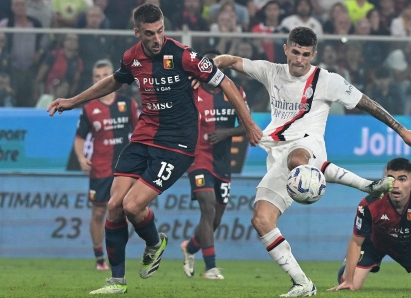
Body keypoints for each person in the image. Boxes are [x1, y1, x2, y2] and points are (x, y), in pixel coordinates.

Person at [47, 4, 262, 294]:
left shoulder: (184, 55)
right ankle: (116, 281)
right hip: (143, 137)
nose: (157, 38)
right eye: (149, 33)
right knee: (113, 206)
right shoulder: (132, 57)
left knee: (132, 205)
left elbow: (226, 83)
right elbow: (114, 80)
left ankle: (153, 242)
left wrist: (248, 124)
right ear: (138, 32)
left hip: (178, 143)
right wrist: (73, 101)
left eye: (160, 31)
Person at [213, 26, 411, 297]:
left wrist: (401, 129)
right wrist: (209, 66)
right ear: (286, 49)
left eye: (306, 54)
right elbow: (231, 61)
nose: (300, 60)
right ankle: (303, 283)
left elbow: (366, 102)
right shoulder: (271, 71)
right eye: (295, 52)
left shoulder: (327, 80)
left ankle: (365, 185)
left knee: (298, 158)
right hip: (278, 155)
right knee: (261, 219)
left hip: (308, 146)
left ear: (314, 54)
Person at [329, 158, 411, 292]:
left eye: (402, 179)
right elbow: (356, 242)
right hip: (375, 244)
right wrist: (348, 280)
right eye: (391, 178)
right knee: (348, 285)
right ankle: (346, 269)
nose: (395, 185)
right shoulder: (369, 204)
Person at [180, 49, 247, 281]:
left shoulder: (234, 90)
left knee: (215, 219)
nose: (209, 68)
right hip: (198, 158)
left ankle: (190, 248)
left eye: (214, 65)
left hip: (222, 161)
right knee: (207, 207)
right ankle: (211, 267)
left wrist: (226, 132)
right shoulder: (191, 90)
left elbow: (247, 124)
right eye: (205, 64)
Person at [74, 59, 139, 271]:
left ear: (113, 77)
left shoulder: (128, 104)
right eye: (97, 76)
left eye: (105, 75)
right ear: (92, 80)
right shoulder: (89, 108)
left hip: (124, 170)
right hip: (100, 169)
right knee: (99, 213)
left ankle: (117, 254)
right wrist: (82, 157)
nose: (101, 79)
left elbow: (139, 131)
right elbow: (80, 138)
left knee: (124, 212)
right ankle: (99, 256)